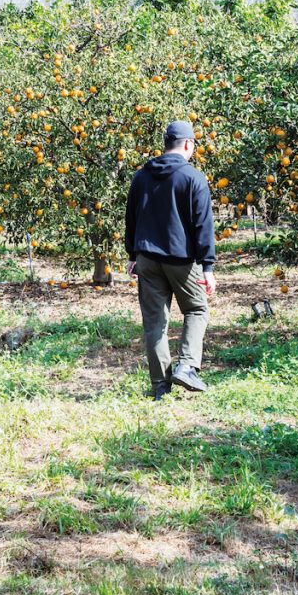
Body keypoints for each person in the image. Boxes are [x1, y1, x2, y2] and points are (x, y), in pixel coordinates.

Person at [125, 121, 217, 401]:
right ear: (188, 144)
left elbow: (131, 218)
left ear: (166, 144)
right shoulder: (193, 178)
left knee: (155, 322)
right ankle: (187, 367)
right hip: (181, 261)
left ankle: (160, 387)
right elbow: (203, 225)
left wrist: (132, 255)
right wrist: (208, 266)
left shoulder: (141, 176)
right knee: (196, 309)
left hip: (147, 259)